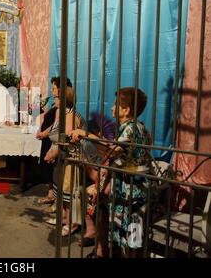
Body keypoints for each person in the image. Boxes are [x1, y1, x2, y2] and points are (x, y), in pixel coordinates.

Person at [68, 87, 152, 258]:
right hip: (129, 187)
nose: (112, 108)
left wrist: (84, 134)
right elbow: (115, 154)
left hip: (133, 192)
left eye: (115, 105)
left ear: (126, 110)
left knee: (131, 234)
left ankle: (107, 251)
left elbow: (112, 150)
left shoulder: (130, 127)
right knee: (101, 206)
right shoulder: (139, 127)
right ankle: (102, 250)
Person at [35, 77, 74, 205]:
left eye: (53, 88)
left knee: (52, 169)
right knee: (48, 169)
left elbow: (55, 126)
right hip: (47, 138)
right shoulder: (55, 103)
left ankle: (54, 198)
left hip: (51, 139)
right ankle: (52, 194)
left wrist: (43, 133)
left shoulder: (62, 107)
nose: (52, 91)